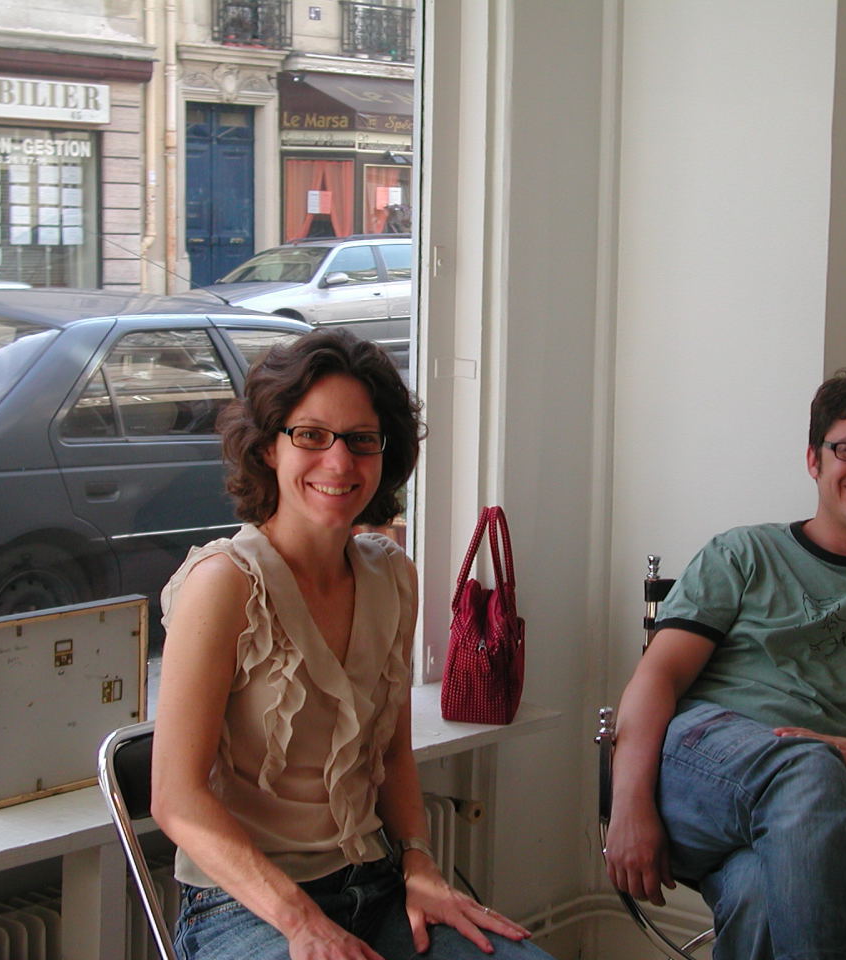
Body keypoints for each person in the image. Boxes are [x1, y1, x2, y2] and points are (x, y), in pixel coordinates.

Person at [151, 329, 554, 960]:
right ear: (268, 447)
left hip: (378, 885)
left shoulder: (393, 575)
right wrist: (303, 922)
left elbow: (391, 753)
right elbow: (176, 799)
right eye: (311, 435)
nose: (339, 463)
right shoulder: (224, 583)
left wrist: (420, 863)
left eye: (362, 439)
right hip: (245, 909)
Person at [604, 369, 846, 960]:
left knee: (760, 891)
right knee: (808, 767)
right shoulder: (742, 554)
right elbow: (659, 675)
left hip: (812, 816)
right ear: (814, 459)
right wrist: (627, 804)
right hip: (696, 772)